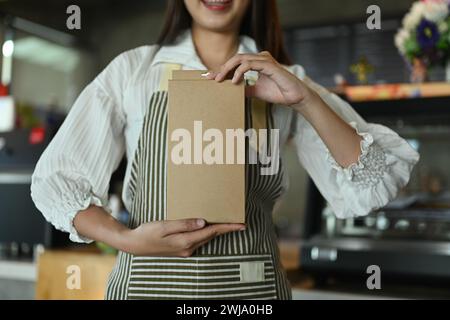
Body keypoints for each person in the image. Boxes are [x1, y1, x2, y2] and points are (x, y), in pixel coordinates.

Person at [31, 0, 419, 300]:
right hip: (148, 285)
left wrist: (306, 100)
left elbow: (375, 178)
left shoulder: (286, 80)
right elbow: (56, 180)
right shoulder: (133, 72)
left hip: (252, 293)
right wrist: (126, 239)